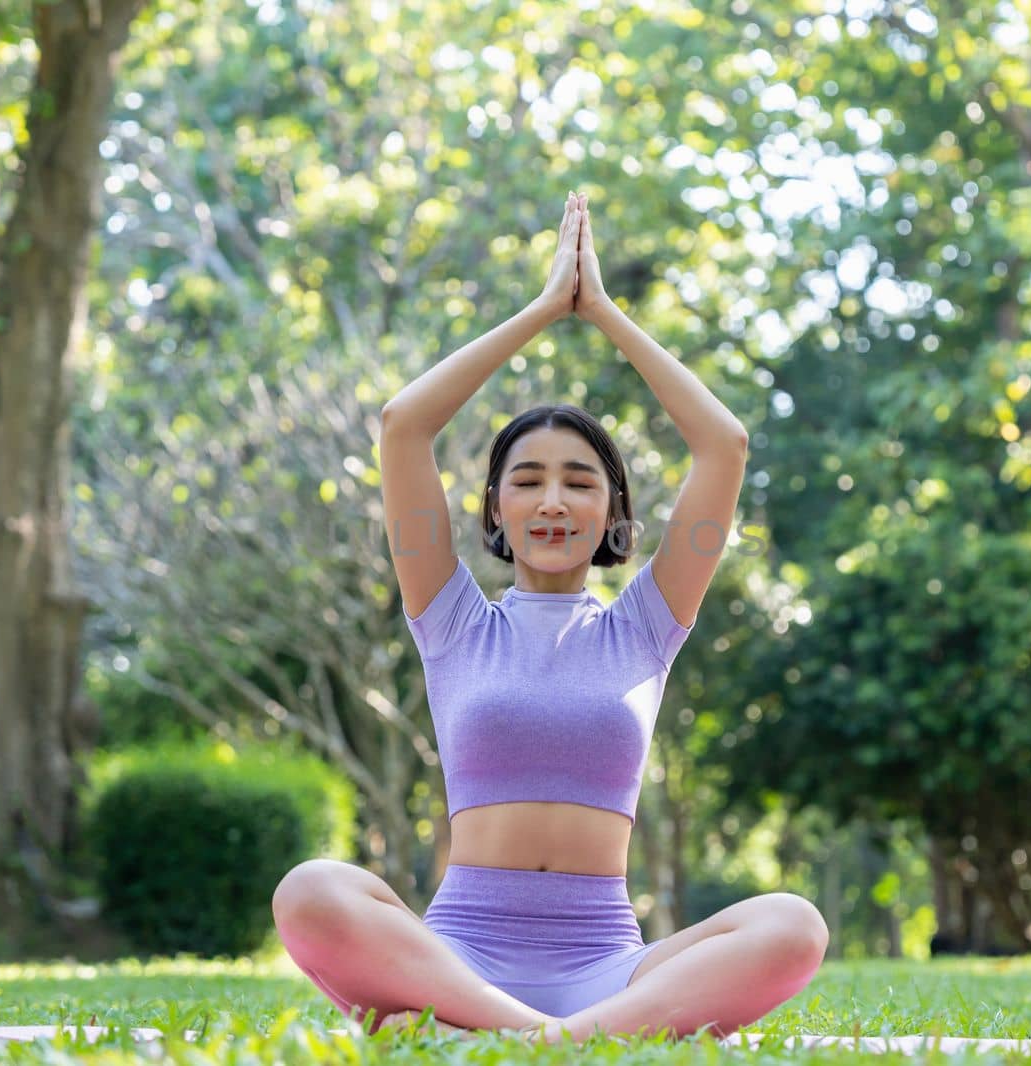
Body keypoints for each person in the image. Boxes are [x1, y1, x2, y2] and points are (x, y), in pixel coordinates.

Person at [272, 191, 827, 1043]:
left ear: (613, 513)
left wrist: (601, 312)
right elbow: (402, 426)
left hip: (610, 970)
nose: (553, 499)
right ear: (494, 511)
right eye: (527, 480)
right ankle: (539, 1037)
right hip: (459, 962)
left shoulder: (646, 625)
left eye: (581, 480)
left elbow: (724, 444)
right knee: (309, 890)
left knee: (794, 924)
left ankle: (548, 1041)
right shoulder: (452, 618)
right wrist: (540, 311)